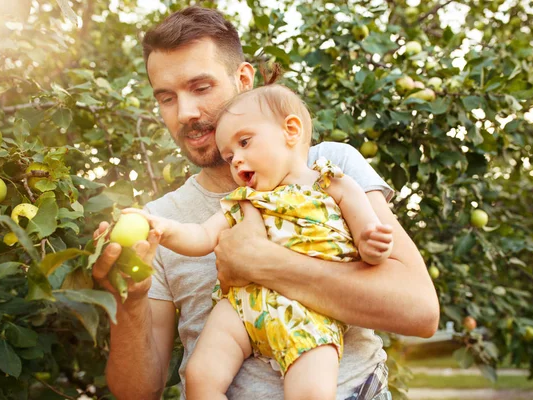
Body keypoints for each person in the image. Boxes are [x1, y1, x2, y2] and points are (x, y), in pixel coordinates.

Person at [91, 6, 439, 400]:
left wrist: (261, 263)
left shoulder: (329, 167)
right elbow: (137, 393)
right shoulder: (161, 222)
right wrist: (130, 301)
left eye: (201, 88)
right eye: (167, 98)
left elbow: (419, 311)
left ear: (243, 79)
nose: (185, 113)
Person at [122, 83, 395, 400]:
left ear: (290, 131)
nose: (236, 160)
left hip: (309, 314)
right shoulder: (243, 200)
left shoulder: (331, 182)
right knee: (200, 378)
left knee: (312, 392)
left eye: (245, 142)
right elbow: (201, 237)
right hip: (241, 307)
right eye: (229, 155)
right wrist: (162, 228)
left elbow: (367, 231)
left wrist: (373, 243)